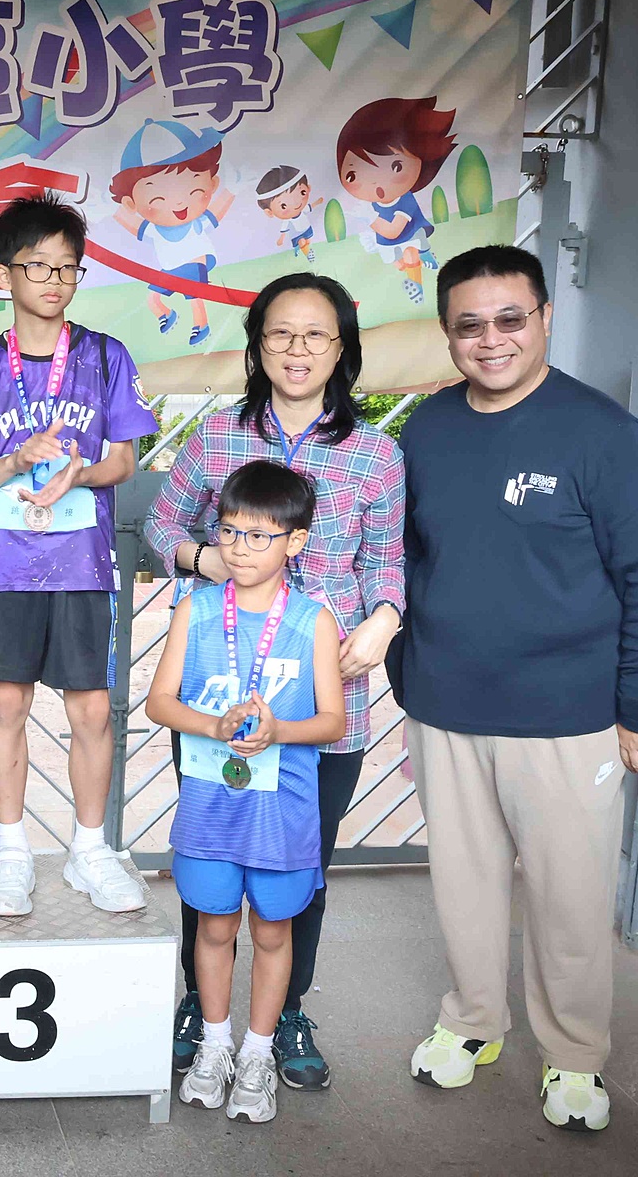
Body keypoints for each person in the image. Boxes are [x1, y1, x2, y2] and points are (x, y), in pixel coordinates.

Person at [392, 244, 638, 1133]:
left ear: (545, 318)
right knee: (464, 886)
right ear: (448, 335)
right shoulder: (428, 430)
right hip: (446, 707)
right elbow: (407, 558)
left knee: (570, 899)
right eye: (469, 325)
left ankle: (575, 1056)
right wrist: (409, 673)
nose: (492, 340)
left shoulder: (607, 437)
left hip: (567, 715)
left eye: (510, 319)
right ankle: (474, 1022)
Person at [146, 272, 405, 1091]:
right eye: (281, 334)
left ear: (342, 348)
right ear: (258, 346)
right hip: (216, 700)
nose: (298, 350)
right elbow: (161, 524)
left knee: (301, 869)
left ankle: (285, 1013)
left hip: (324, 700)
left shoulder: (376, 454)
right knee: (209, 856)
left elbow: (388, 561)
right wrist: (205, 559)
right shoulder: (216, 437)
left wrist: (384, 618)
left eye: (316, 334)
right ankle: (203, 1009)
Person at [0, 192, 159, 916]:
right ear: (4, 274)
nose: (54, 281)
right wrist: (15, 458)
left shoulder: (106, 357)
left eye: (68, 267)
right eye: (38, 266)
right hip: (5, 563)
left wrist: (80, 473)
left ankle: (90, 852)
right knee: (7, 703)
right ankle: (10, 852)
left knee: (91, 709)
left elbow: (124, 461)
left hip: (83, 563)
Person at [147, 461, 347, 1126]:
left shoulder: (314, 622)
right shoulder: (196, 609)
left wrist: (277, 731)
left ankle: (258, 1053)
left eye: (260, 536)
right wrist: (213, 725)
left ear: (296, 541)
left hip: (282, 810)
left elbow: (333, 722)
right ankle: (215, 1044)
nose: (240, 548)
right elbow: (158, 702)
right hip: (212, 803)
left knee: (272, 929)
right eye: (230, 531)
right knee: (213, 925)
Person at [103, 117, 234, 347]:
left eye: (192, 189)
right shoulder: (154, 229)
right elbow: (133, 225)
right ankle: (166, 314)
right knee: (152, 298)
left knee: (194, 297)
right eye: (158, 198)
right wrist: (108, 210)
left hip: (194, 263)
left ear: (212, 184)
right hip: (170, 268)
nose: (178, 203)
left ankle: (201, 326)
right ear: (131, 203)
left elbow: (216, 212)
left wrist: (232, 190)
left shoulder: (196, 222)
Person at [336, 97, 456, 305]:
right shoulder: (371, 203)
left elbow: (393, 231)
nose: (376, 182)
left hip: (410, 233)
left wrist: (369, 218)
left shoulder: (405, 200)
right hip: (388, 242)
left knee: (410, 255)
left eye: (396, 167)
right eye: (354, 175)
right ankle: (420, 262)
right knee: (398, 263)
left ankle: (418, 283)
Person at [255, 166, 321, 264]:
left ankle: (299, 250)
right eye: (283, 205)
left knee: (307, 241)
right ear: (269, 212)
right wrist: (281, 239)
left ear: (308, 188)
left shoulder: (302, 211)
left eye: (302, 192)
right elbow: (284, 230)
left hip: (306, 228)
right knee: (302, 242)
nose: (296, 203)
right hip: (296, 233)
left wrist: (318, 202)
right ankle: (308, 255)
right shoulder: (287, 220)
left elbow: (310, 207)